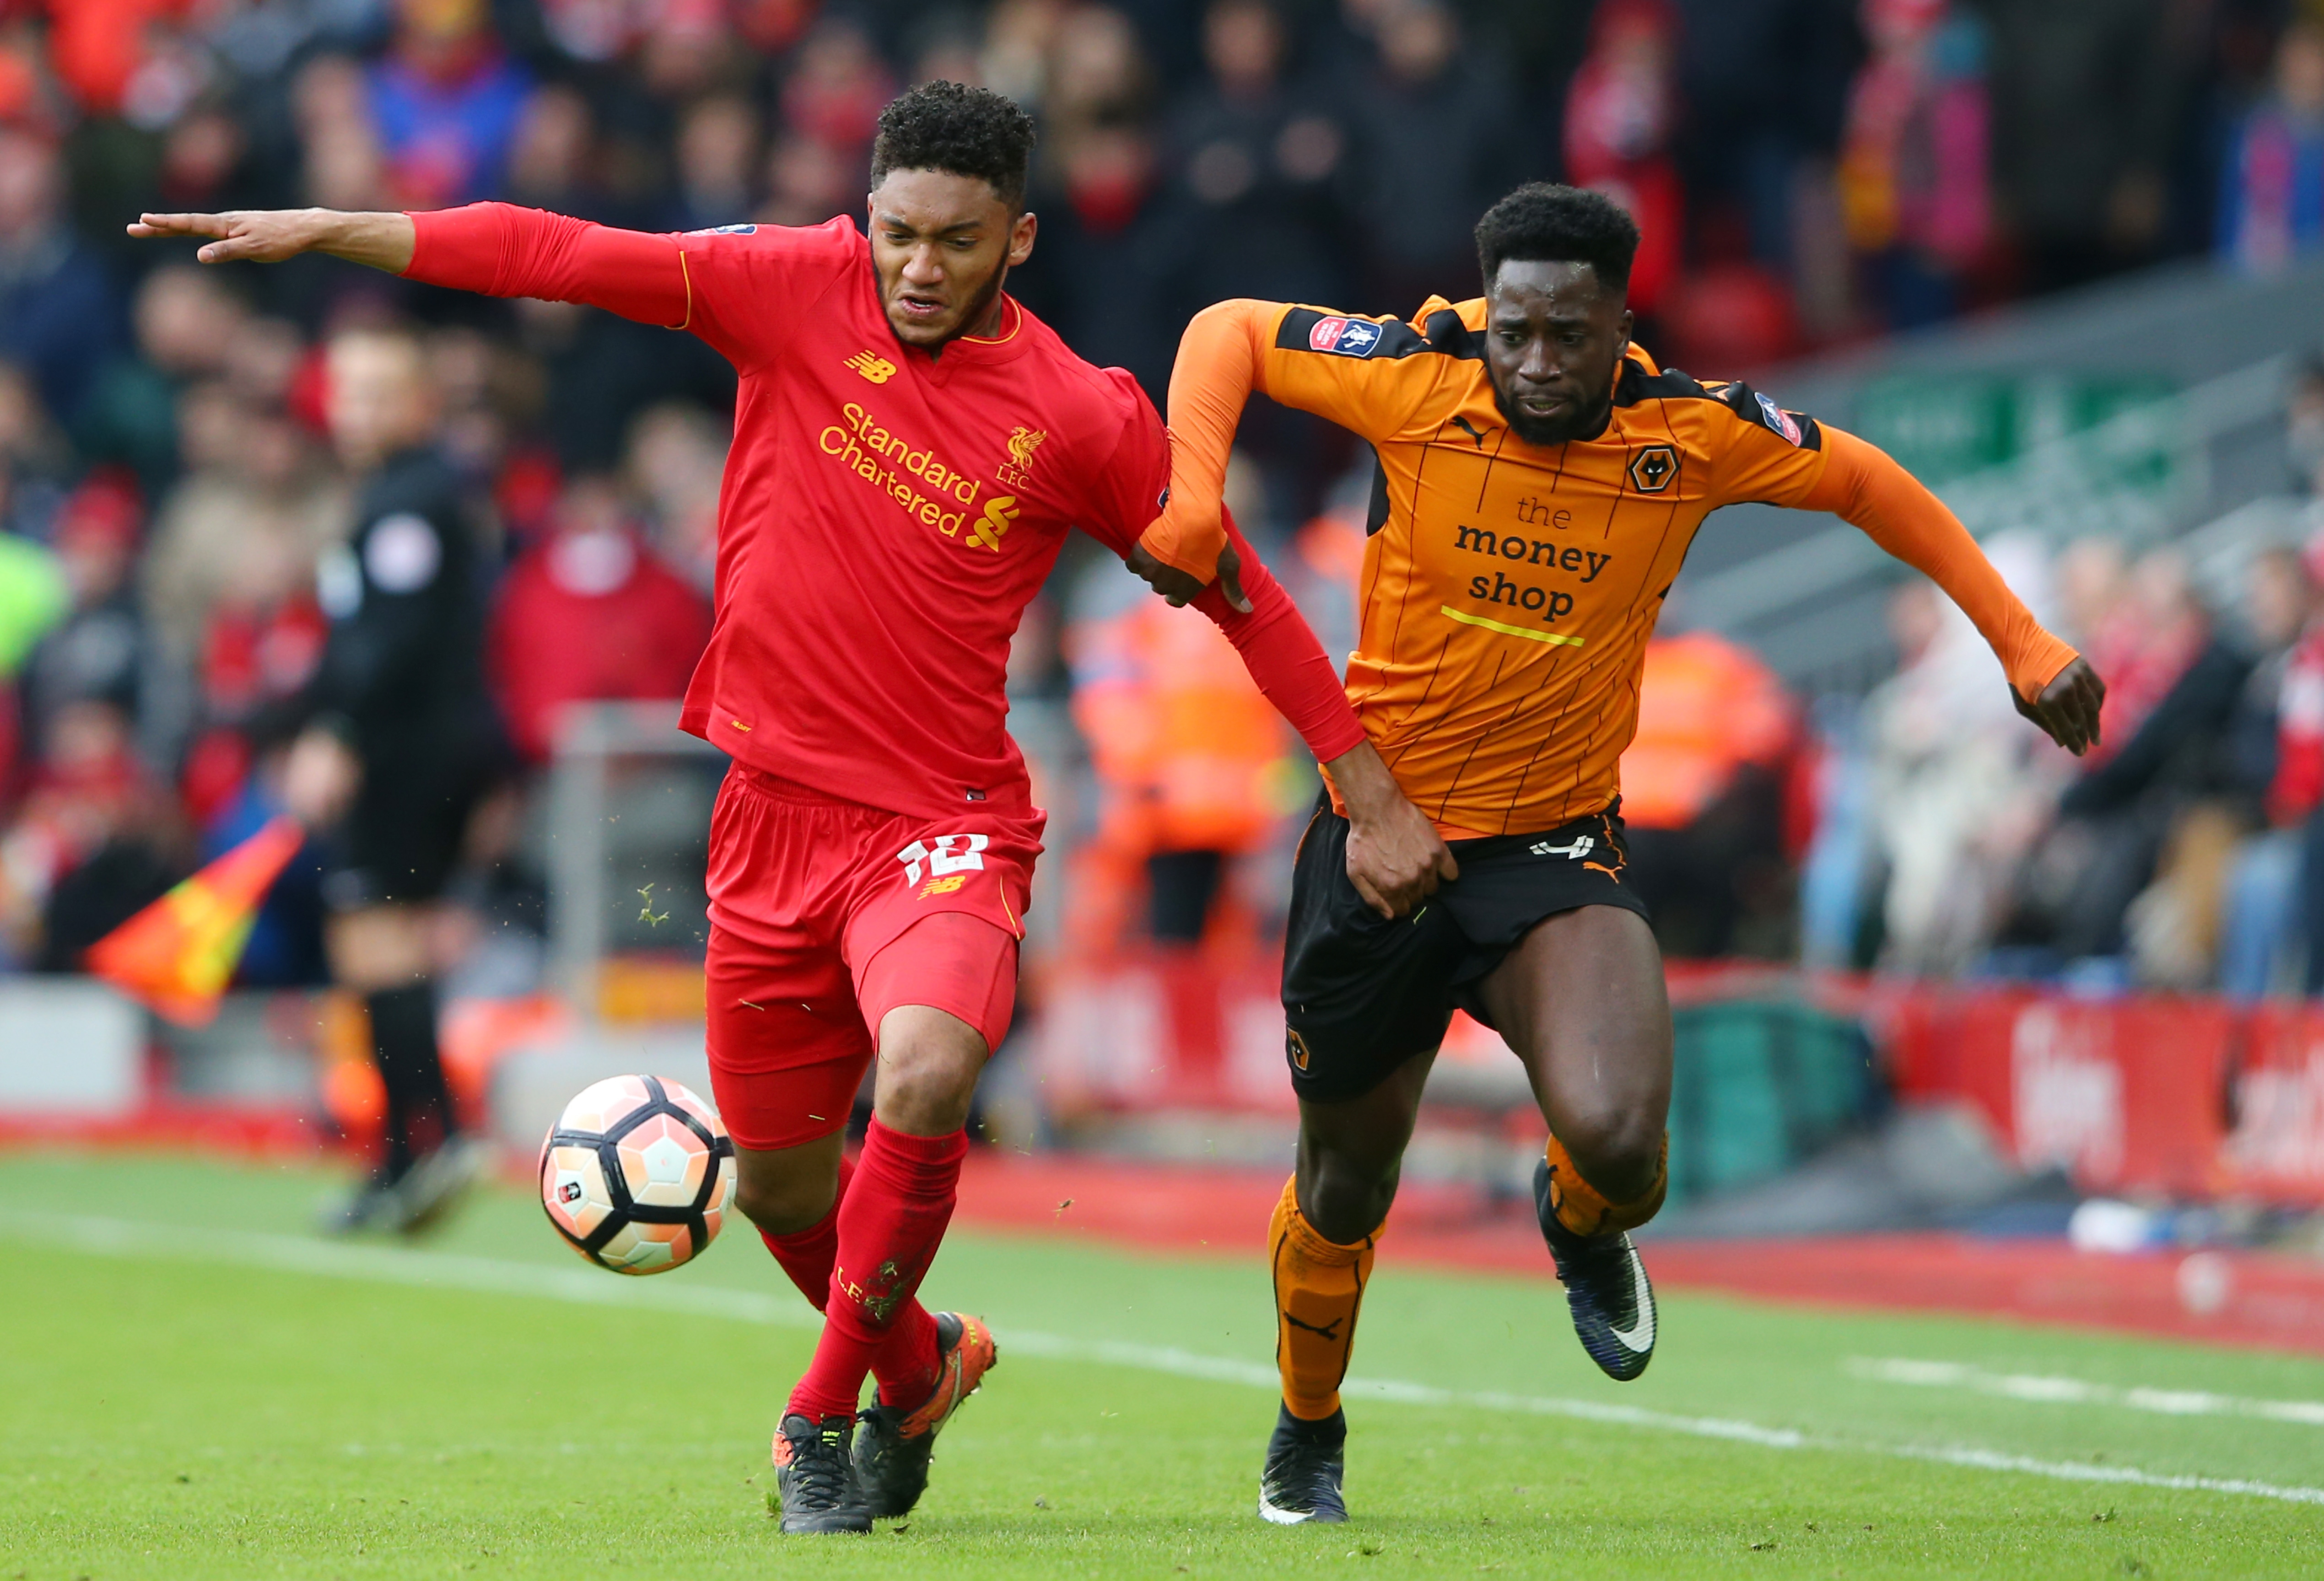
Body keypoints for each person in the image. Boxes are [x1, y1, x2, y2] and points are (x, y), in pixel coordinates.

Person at [129, 80, 1443, 1536]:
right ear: (862, 215)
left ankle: (815, 1421)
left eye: (956, 240)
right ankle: (919, 1366)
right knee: (778, 1194)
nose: (919, 268)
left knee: (932, 1072)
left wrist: (1365, 786)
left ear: (1021, 237)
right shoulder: (789, 283)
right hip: (767, 822)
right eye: (896, 234)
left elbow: (1245, 597)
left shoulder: (1082, 415)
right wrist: (339, 230)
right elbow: (557, 251)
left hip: (941, 823)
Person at [1142, 181, 2107, 1524]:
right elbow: (1225, 329)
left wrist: (2021, 641)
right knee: (1347, 1184)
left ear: (1621, 328)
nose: (1539, 364)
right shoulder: (1411, 373)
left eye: (1571, 338)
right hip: (1382, 837)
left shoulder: (1689, 433)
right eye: (1518, 333)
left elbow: (1870, 483)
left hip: (1552, 848)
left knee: (1627, 1141)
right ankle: (1309, 1428)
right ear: (1489, 318)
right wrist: (1193, 496)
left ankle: (1581, 1223)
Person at [270, 325, 503, 1237]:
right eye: (346, 390)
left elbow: (391, 640)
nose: (356, 409)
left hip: (406, 755)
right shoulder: (400, 494)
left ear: (418, 403)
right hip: (416, 749)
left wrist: (334, 732)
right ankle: (415, 1152)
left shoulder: (411, 501)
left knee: (373, 940)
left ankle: (423, 1145)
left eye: (377, 392)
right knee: (380, 943)